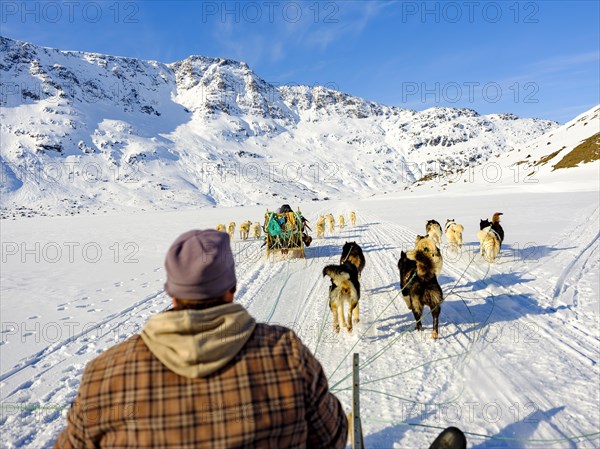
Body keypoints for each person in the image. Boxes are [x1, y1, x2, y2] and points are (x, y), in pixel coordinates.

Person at [54, 229, 348, 448]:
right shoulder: (287, 353)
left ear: (172, 293)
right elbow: (332, 437)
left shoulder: (103, 374)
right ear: (232, 287)